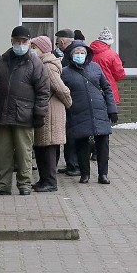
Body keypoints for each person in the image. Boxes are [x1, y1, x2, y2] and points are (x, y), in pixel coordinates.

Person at [0, 26, 50, 196]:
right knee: (1, 152)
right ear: (12, 41)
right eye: (18, 41)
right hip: (3, 114)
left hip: (25, 115)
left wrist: (39, 113)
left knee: (24, 152)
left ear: (29, 42)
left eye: (24, 41)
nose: (20, 44)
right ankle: (2, 184)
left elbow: (43, 91)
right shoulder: (2, 62)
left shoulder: (35, 63)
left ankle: (24, 184)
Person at [61, 41, 118, 184]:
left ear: (87, 54)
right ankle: (85, 174)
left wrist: (112, 109)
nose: (79, 55)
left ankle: (103, 174)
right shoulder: (65, 72)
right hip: (78, 112)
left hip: (99, 111)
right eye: (76, 53)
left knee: (103, 144)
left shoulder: (95, 67)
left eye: (82, 53)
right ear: (71, 54)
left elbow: (107, 88)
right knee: (82, 144)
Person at [30, 36, 72, 192]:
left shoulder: (47, 65)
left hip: (51, 111)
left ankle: (50, 182)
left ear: (43, 48)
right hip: (46, 109)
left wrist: (68, 103)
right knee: (42, 146)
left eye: (34, 47)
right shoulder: (41, 62)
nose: (31, 50)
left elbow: (60, 88)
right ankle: (44, 180)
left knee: (48, 146)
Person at [54, 29, 80, 174]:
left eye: (58, 42)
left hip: (71, 99)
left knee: (72, 134)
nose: (57, 45)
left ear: (62, 42)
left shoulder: (69, 54)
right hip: (73, 98)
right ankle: (71, 164)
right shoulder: (78, 50)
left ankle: (74, 165)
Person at [89, 27, 127, 105]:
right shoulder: (112, 55)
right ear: (109, 43)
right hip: (108, 90)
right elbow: (119, 75)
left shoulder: (88, 52)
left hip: (90, 90)